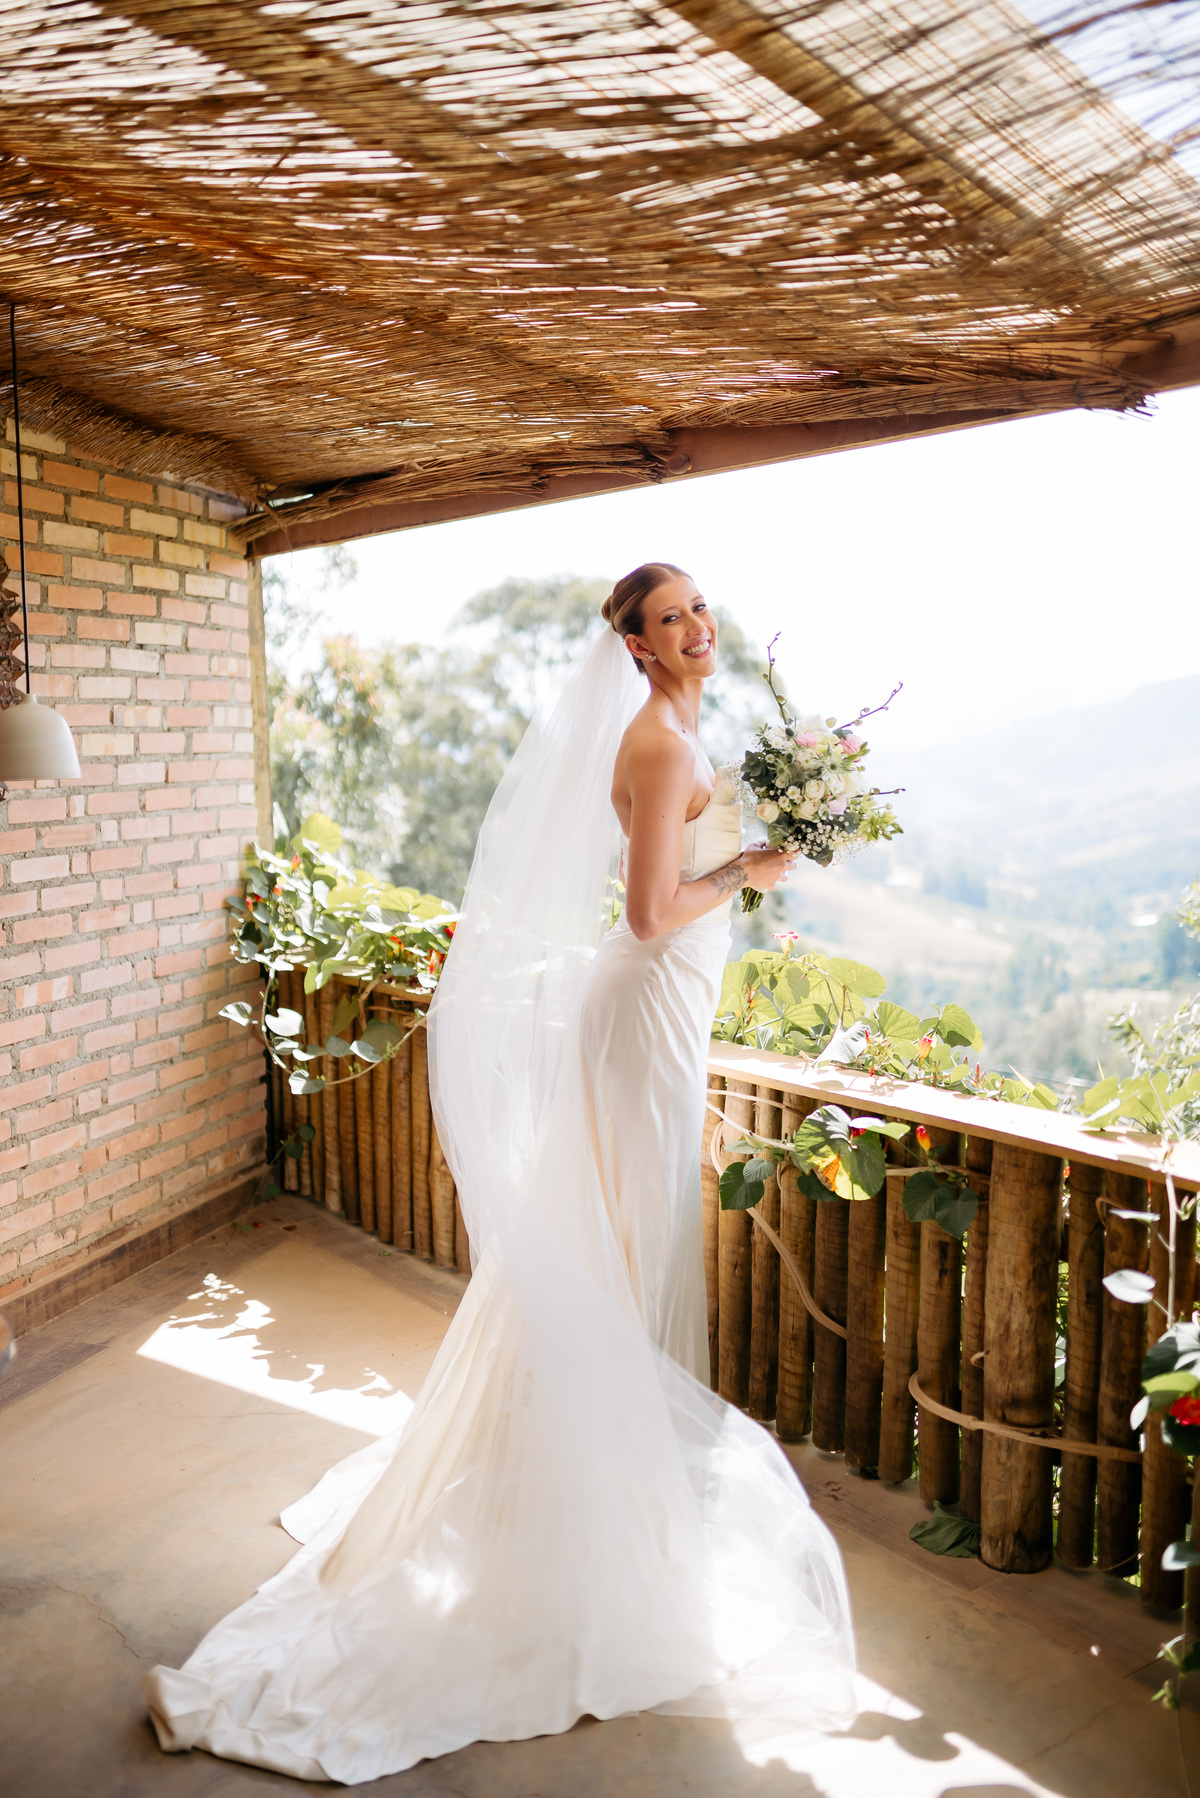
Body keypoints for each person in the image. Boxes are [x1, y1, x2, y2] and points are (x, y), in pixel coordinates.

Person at [142, 563, 856, 1785]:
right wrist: (748, 870)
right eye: (670, 617)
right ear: (635, 646)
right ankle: (586, 1505)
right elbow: (646, 914)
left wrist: (761, 845)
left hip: (672, 1011)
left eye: (699, 606)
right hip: (644, 1009)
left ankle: (605, 1481)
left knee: (623, 1238)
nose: (697, 626)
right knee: (620, 1240)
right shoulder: (657, 742)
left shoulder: (687, 729)